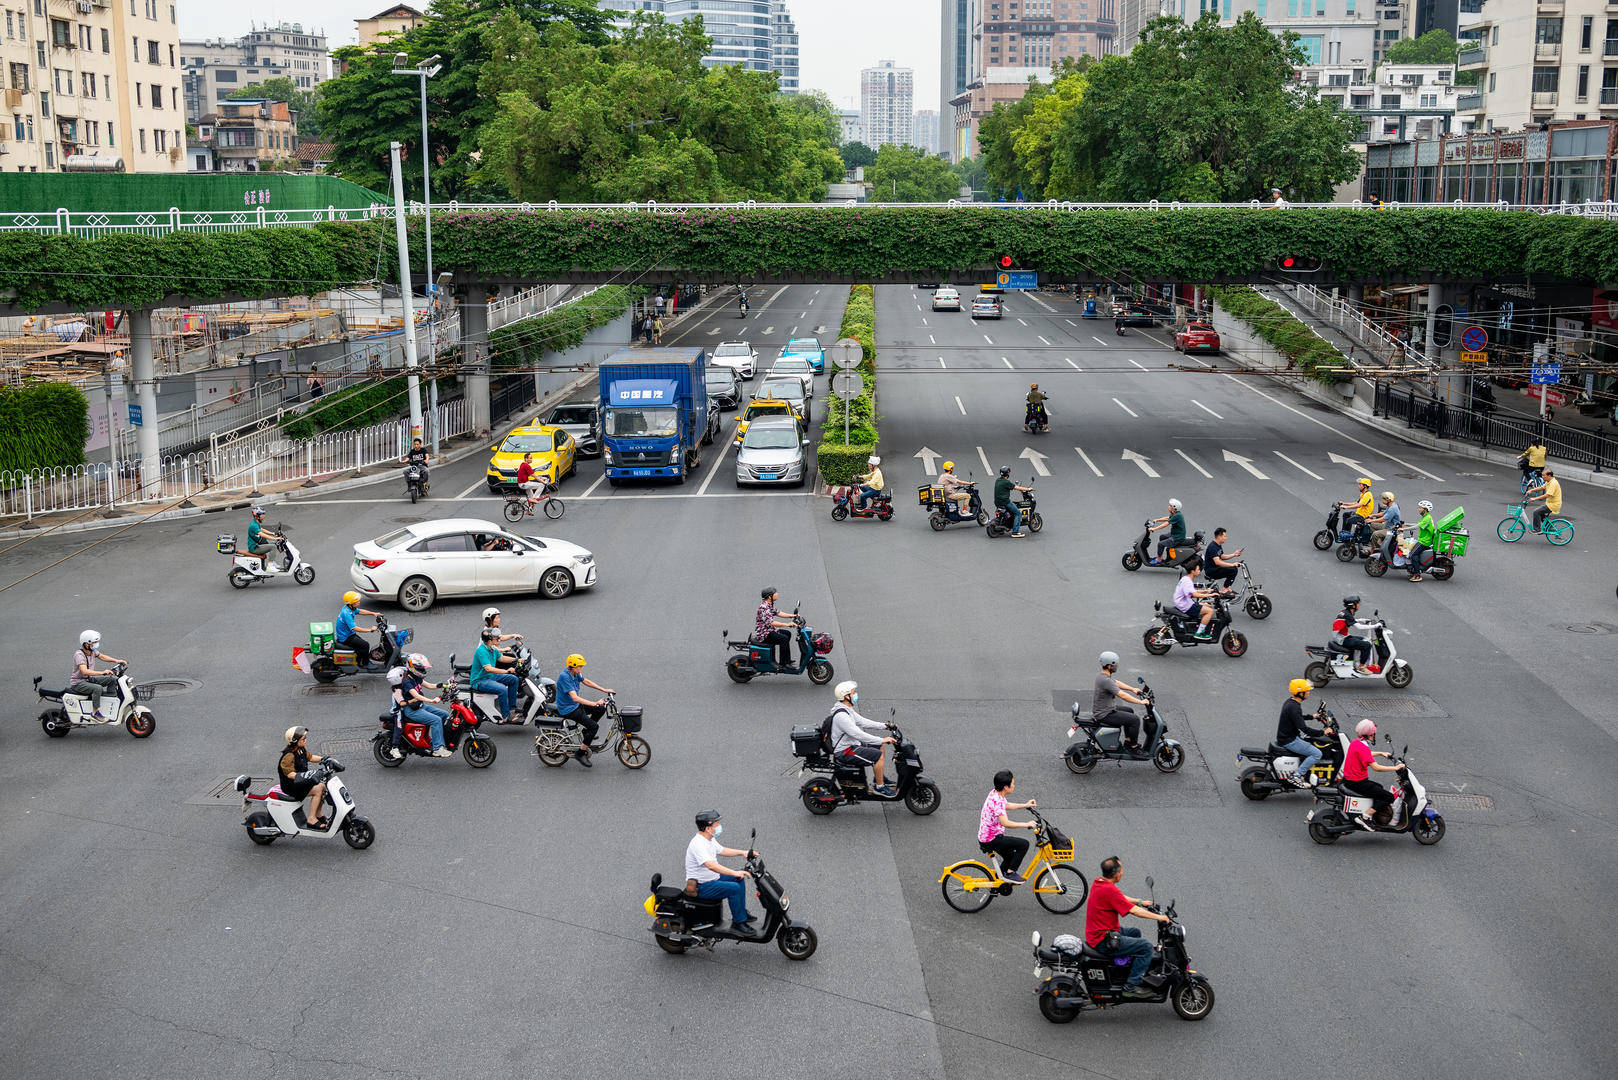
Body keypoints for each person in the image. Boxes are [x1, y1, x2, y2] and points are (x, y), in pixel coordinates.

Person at [1085, 856, 1172, 999]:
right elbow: (1134, 911)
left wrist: (1141, 902)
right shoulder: (1109, 890)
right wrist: (1160, 917)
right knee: (1146, 947)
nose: (1123, 872)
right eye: (1122, 870)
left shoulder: (1099, 883)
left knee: (1135, 932)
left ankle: (1125, 969)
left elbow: (1120, 897)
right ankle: (1131, 986)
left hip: (1100, 932)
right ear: (1117, 874)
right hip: (1102, 940)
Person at [685, 810, 755, 929]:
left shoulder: (709, 838)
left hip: (712, 879)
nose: (719, 827)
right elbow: (711, 865)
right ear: (708, 828)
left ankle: (741, 913)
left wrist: (743, 853)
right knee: (735, 888)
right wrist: (734, 872)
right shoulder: (698, 844)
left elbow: (722, 850)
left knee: (738, 878)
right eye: (716, 824)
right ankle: (739, 923)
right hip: (702, 886)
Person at [829, 681, 897, 796]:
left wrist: (884, 726)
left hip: (852, 744)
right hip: (844, 750)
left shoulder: (846, 709)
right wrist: (881, 739)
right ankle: (879, 787)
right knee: (878, 755)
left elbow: (862, 721)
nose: (855, 694)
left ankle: (878, 779)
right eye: (853, 692)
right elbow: (859, 734)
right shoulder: (842, 716)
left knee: (880, 747)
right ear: (846, 696)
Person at [978, 770, 1037, 884]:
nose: (1014, 786)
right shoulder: (997, 801)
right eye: (1013, 784)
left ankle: (998, 878)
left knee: (1011, 856)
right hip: (992, 839)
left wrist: (1026, 805)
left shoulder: (995, 793)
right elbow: (1006, 823)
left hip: (988, 836)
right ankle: (1010, 873)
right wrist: (1027, 824)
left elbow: (1007, 805)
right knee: (1024, 844)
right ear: (1006, 787)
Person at [1341, 719, 1403, 829]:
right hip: (1357, 782)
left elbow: (1365, 754)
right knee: (1388, 797)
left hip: (1350, 779)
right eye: (1373, 734)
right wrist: (1395, 767)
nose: (1374, 736)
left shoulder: (1356, 743)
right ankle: (1366, 816)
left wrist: (1380, 753)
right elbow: (1376, 768)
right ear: (1369, 735)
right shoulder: (1363, 747)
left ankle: (1372, 813)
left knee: (1379, 788)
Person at [556, 654, 614, 766]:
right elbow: (575, 697)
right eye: (580, 666)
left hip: (575, 705)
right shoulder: (565, 677)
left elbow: (585, 681)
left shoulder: (575, 673)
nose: (581, 668)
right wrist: (594, 703)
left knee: (600, 709)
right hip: (568, 709)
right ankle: (580, 753)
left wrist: (604, 689)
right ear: (572, 666)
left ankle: (586, 732)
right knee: (594, 727)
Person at [1276, 678, 1332, 787]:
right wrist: (1323, 732)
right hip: (1289, 740)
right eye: (1307, 691)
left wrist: (1312, 716)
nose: (1309, 693)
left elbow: (1297, 718)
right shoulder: (1295, 707)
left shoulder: (1290, 702)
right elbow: (1304, 729)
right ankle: (1296, 775)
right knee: (1317, 753)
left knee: (1309, 744)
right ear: (1300, 693)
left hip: (1287, 737)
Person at [1094, 651, 1154, 751]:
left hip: (1105, 708)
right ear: (1109, 666)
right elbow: (1122, 695)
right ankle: (1133, 746)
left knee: (1129, 711)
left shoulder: (1103, 676)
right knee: (1134, 720)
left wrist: (1132, 689)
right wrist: (1140, 702)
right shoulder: (1106, 680)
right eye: (1115, 665)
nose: (1116, 666)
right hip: (1104, 714)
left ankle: (1128, 740)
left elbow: (1117, 683)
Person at [398, 653, 454, 758]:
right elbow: (416, 696)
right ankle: (437, 748)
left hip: (420, 706)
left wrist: (446, 686)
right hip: (412, 710)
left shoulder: (415, 677)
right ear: (412, 667)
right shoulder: (407, 681)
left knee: (444, 714)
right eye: (420, 667)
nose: (422, 668)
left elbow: (430, 685)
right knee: (436, 720)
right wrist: (431, 700)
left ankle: (442, 740)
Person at [278, 726, 330, 829]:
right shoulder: (288, 756)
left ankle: (318, 814)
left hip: (300, 781)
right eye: (303, 739)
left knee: (323, 786)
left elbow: (310, 757)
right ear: (294, 741)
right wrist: (306, 776)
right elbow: (290, 774)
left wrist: (324, 759)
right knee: (318, 789)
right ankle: (311, 819)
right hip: (291, 786)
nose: (305, 740)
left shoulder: (300, 749)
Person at [69, 630, 124, 720]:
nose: (96, 644)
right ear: (86, 644)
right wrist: (102, 672)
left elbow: (102, 656)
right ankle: (95, 713)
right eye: (94, 642)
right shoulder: (79, 655)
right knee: (97, 688)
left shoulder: (92, 651)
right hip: (79, 683)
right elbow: (84, 671)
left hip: (89, 679)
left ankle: (111, 702)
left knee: (112, 679)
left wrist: (117, 661)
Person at [472, 627, 519, 723]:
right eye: (496, 638)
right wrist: (506, 671)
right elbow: (488, 668)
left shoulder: (492, 648)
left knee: (513, 679)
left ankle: (512, 709)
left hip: (489, 677)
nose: (499, 639)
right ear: (489, 640)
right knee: (502, 689)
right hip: (480, 680)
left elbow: (501, 658)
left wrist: (517, 660)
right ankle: (506, 716)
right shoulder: (481, 651)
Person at [335, 591, 381, 671]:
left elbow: (360, 611)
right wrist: (370, 630)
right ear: (351, 603)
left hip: (348, 634)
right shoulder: (347, 614)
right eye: (357, 601)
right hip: (346, 637)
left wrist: (373, 613)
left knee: (361, 645)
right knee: (365, 645)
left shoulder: (348, 608)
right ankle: (366, 663)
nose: (359, 602)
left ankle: (358, 661)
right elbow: (355, 628)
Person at [1172, 558, 1217, 639]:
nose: (1199, 571)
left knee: (1208, 606)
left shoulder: (1186, 578)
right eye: (1198, 569)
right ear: (1193, 571)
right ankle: (1199, 633)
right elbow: (1195, 594)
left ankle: (1198, 625)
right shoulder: (1187, 581)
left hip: (1185, 602)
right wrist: (1209, 595)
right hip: (1185, 605)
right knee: (1210, 611)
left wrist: (1206, 591)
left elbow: (1192, 591)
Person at [753, 586, 797, 668]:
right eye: (775, 593)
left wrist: (793, 616)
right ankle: (783, 663)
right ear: (770, 597)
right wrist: (787, 624)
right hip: (764, 634)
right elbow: (772, 623)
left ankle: (787, 660)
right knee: (783, 639)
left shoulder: (769, 605)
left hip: (769, 630)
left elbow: (778, 613)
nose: (777, 594)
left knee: (787, 634)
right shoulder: (764, 608)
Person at [1330, 595, 1375, 674]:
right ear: (1353, 605)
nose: (1358, 605)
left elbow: (1350, 620)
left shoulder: (1345, 612)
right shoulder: (1348, 614)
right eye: (1357, 603)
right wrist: (1376, 626)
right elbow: (1359, 627)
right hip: (1342, 639)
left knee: (1363, 639)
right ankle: (1361, 667)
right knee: (1367, 645)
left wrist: (1362, 620)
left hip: (1340, 636)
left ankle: (1356, 661)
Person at [994, 465, 1031, 538]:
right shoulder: (1006, 482)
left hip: (997, 502)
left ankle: (1004, 527)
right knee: (1018, 513)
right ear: (1007, 473)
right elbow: (1016, 487)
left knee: (1010, 512)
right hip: (1005, 502)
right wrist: (1028, 489)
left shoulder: (997, 480)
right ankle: (1015, 532)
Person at [246, 506, 285, 570]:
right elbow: (262, 534)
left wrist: (273, 533)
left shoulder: (255, 523)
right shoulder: (253, 525)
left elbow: (262, 529)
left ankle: (273, 562)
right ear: (257, 516)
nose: (264, 515)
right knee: (273, 547)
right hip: (254, 548)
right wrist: (275, 538)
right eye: (262, 514)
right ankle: (270, 565)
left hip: (258, 544)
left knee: (276, 543)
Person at [1337, 478, 1375, 543]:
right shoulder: (1363, 494)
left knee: (1349, 520)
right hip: (1358, 514)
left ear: (1365, 486)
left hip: (1363, 517)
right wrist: (1344, 503)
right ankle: (1345, 534)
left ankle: (1346, 538)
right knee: (1346, 515)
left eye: (1360, 485)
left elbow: (1359, 505)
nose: (1358, 486)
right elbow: (1356, 503)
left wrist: (1346, 507)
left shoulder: (1367, 495)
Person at [1406, 500, 1436, 582]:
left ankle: (1417, 574)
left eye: (1420, 508)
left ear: (1425, 510)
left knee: (1412, 554)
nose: (1418, 509)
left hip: (1424, 541)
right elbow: (1417, 524)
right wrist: (1405, 524)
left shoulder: (1427, 519)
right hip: (1423, 540)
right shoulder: (1426, 517)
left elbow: (1416, 527)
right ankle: (1412, 569)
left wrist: (1403, 529)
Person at [1525, 467, 1562, 533]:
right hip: (1549, 503)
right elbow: (1542, 487)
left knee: (1536, 512)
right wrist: (1532, 490)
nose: (1542, 477)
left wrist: (1534, 498)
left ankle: (1537, 530)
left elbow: (1547, 495)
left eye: (1544, 475)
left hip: (1553, 505)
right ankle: (1550, 527)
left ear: (1549, 476)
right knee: (1541, 514)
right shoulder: (1548, 481)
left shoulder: (1553, 483)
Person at [1368, 491, 1403, 557]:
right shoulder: (1390, 506)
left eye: (1383, 499)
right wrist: (1372, 515)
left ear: (1388, 500)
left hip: (1391, 530)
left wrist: (1371, 520)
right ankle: (1379, 542)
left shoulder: (1393, 508)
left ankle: (1373, 549)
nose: (1382, 500)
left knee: (1375, 534)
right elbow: (1382, 513)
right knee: (1372, 525)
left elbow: (1384, 519)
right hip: (1387, 526)